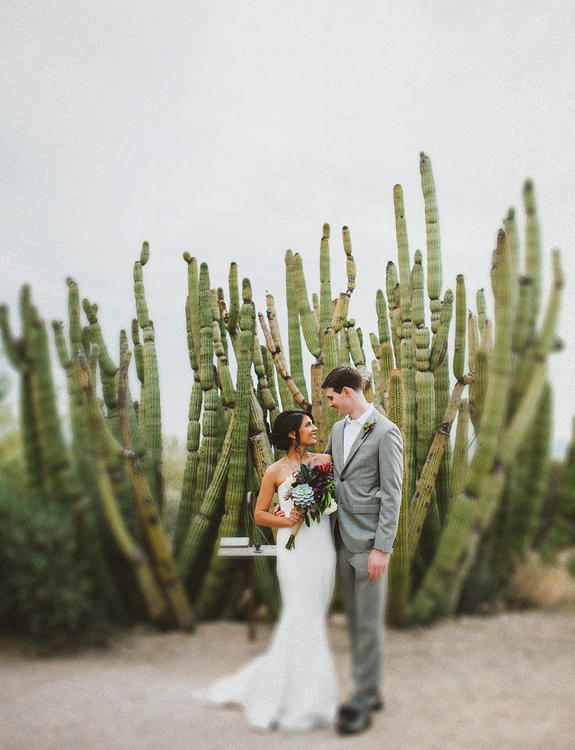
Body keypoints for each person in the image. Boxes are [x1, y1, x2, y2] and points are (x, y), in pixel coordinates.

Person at [192, 409, 337, 731]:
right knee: (301, 614)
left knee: (316, 614)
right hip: (294, 548)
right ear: (291, 434)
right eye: (308, 425)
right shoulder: (274, 471)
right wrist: (288, 520)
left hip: (321, 546)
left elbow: (333, 500)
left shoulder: (324, 461)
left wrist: (321, 502)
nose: (315, 428)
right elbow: (260, 514)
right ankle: (303, 698)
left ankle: (312, 692)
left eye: (313, 423)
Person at [322, 365, 403, 735]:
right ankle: (367, 688)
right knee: (354, 622)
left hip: (369, 543)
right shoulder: (337, 430)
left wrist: (381, 549)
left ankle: (365, 699)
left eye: (332, 398)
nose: (330, 405)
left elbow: (393, 494)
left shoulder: (387, 433)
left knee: (368, 623)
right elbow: (327, 472)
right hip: (339, 537)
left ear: (348, 392)